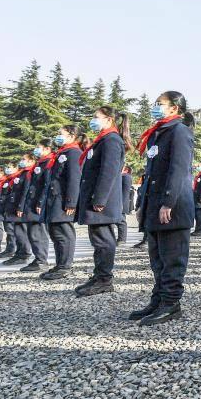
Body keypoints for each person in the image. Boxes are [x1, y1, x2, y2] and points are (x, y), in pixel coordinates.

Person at [128, 91, 196, 326]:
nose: (155, 107)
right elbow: (151, 173)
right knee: (157, 258)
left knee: (172, 258)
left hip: (173, 207)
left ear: (174, 109)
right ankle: (158, 299)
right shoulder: (159, 133)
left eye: (161, 104)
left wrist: (168, 202)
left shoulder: (178, 131)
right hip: (155, 205)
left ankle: (171, 303)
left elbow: (178, 171)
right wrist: (143, 205)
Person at [76, 105, 132, 297]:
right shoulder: (103, 140)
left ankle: (104, 279)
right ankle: (99, 275)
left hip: (102, 200)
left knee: (103, 240)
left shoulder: (111, 140)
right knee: (98, 238)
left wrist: (99, 199)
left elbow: (108, 173)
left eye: (96, 117)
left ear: (109, 120)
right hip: (97, 198)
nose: (93, 120)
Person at [39, 127, 82, 280]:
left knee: (63, 233)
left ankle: (65, 267)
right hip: (55, 200)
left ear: (71, 136)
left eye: (60, 134)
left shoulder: (74, 153)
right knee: (56, 233)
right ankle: (59, 264)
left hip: (64, 201)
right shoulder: (63, 153)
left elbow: (74, 179)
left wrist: (71, 202)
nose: (57, 136)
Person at [19, 140, 55, 273]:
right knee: (32, 232)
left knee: (37, 232)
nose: (36, 150)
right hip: (32, 202)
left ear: (47, 149)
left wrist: (40, 202)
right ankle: (38, 258)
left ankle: (41, 260)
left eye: (38, 147)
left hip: (37, 204)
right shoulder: (41, 163)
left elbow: (46, 184)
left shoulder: (49, 162)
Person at [6, 152, 37, 269]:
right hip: (16, 206)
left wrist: (20, 207)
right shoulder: (22, 173)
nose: (21, 161)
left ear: (31, 161)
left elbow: (25, 192)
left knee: (21, 232)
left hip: (22, 207)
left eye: (24, 159)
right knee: (17, 231)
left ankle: (24, 254)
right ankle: (19, 253)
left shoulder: (30, 172)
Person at [117, 167, 133, 245]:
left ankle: (122, 239)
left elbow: (125, 192)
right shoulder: (123, 177)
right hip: (120, 201)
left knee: (121, 221)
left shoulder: (125, 177)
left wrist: (122, 203)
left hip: (121, 201)